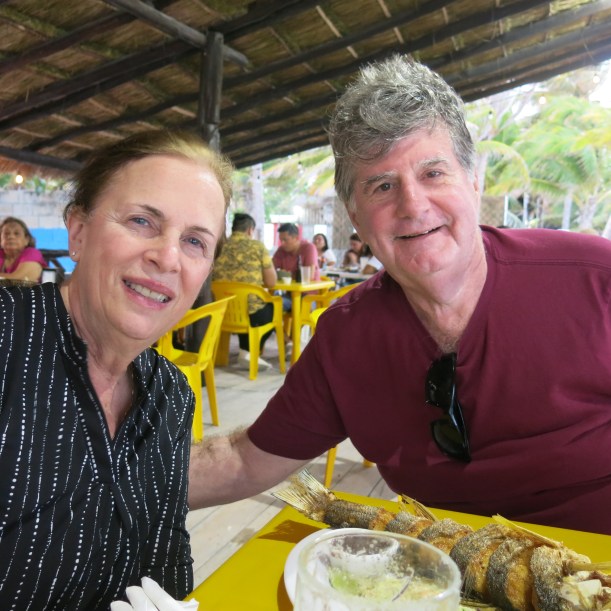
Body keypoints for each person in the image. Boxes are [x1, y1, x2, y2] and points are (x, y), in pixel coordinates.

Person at [188, 55, 611, 536]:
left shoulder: (595, 279)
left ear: (474, 182)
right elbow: (245, 460)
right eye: (383, 186)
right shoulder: (347, 337)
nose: (412, 205)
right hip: (442, 568)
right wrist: (122, 475)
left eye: (433, 173)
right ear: (355, 216)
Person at [0, 129, 232, 609]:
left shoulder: (171, 395)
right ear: (79, 232)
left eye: (194, 241)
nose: (167, 257)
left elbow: (166, 563)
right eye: (142, 221)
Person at [212, 212, 276, 370]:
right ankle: (249, 352)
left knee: (245, 306)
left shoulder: (218, 246)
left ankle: (244, 352)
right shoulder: (257, 247)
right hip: (250, 312)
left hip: (222, 310)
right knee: (272, 309)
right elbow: (271, 282)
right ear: (250, 230)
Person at [272, 222, 320, 311]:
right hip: (289, 295)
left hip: (308, 297)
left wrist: (286, 275)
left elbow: (309, 276)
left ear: (296, 238)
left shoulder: (309, 248)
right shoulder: (281, 250)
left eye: (285, 240)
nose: (282, 243)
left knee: (273, 306)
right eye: (281, 240)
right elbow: (270, 269)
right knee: (269, 305)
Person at [0, 216, 47, 282]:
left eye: (17, 234)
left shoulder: (32, 253)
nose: (11, 237)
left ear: (26, 240)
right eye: (6, 234)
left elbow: (18, 280)